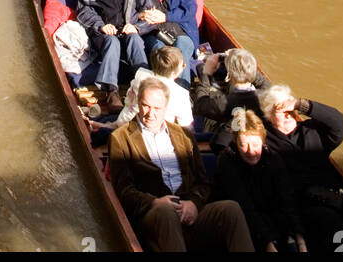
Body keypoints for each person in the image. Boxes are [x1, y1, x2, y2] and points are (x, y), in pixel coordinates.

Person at [107, 78, 254, 252]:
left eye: (157, 108)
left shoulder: (184, 134)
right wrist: (155, 202)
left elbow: (203, 183)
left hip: (186, 208)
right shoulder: (120, 138)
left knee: (231, 209)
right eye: (145, 106)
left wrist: (193, 204)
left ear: (166, 107)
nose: (150, 113)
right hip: (153, 216)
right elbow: (124, 190)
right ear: (138, 103)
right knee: (166, 211)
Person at [260, 84, 343, 251]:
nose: (289, 113)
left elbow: (338, 123)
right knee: (333, 226)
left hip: (335, 197)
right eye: (281, 109)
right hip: (304, 205)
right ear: (269, 116)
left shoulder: (311, 130)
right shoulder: (264, 141)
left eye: (290, 107)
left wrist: (301, 105)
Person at [212, 108, 305, 253]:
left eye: (255, 145)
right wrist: (268, 242)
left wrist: (300, 239)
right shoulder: (226, 161)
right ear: (236, 142)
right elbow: (244, 206)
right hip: (240, 224)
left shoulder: (273, 158)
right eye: (244, 145)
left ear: (263, 141)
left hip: (270, 219)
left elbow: (286, 199)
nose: (251, 151)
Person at [75, 0, 152, 110]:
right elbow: (83, 11)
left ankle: (144, 85)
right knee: (112, 42)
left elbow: (150, 11)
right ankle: (111, 91)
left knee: (135, 39)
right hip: (103, 34)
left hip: (127, 31)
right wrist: (100, 25)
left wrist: (136, 27)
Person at [133, 0, 200, 86]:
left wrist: (166, 17)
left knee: (180, 52)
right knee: (159, 52)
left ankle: (183, 92)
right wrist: (141, 14)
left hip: (182, 30)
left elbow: (190, 10)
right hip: (152, 31)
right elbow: (127, 8)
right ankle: (162, 91)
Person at [96, 45, 194, 131]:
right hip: (153, 131)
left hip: (125, 122)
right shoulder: (181, 93)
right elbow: (185, 123)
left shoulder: (141, 76)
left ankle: (110, 126)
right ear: (175, 72)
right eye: (183, 66)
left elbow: (128, 100)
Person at [192, 47, 270, 152]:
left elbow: (200, 104)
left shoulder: (222, 103)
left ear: (229, 74)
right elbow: (264, 84)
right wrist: (242, 63)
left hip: (224, 140)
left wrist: (205, 72)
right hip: (243, 134)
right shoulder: (265, 96)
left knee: (209, 96)